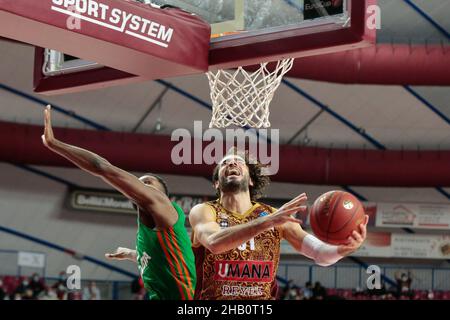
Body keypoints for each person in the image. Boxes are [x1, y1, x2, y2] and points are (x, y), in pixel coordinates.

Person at [42, 105, 196, 300]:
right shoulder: (149, 230)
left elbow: (101, 167)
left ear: (163, 195)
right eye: (139, 183)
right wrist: (133, 254)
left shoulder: (161, 204)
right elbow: (158, 259)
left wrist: (54, 144)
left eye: (148, 183)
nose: (140, 186)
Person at [188, 151, 368, 299]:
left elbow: (319, 253)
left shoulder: (275, 216)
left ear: (251, 180)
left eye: (238, 162)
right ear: (216, 183)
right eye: (225, 163)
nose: (232, 164)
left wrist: (343, 249)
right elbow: (214, 242)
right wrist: (266, 222)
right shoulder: (204, 211)